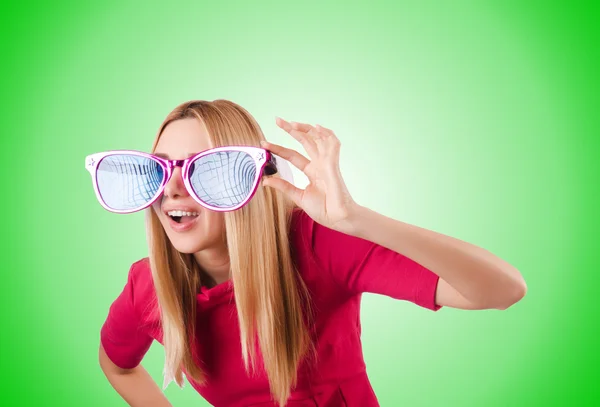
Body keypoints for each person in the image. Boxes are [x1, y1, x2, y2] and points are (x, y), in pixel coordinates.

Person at [87, 99, 527, 407]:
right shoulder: (148, 286)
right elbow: (118, 365)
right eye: (160, 168)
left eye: (207, 167)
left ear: (250, 180)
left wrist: (356, 220)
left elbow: (503, 289)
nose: (174, 188)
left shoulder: (317, 246)